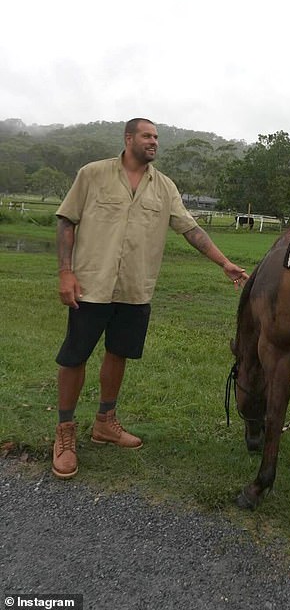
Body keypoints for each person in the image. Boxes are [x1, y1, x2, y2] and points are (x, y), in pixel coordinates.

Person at [52, 117, 249, 479]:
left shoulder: (165, 187)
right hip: (91, 284)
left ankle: (105, 423)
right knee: (75, 355)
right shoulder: (93, 174)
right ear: (128, 139)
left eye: (156, 136)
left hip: (134, 287)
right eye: (147, 136)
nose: (154, 141)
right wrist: (66, 272)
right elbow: (67, 220)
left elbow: (190, 228)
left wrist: (224, 263)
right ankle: (64, 433)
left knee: (119, 352)